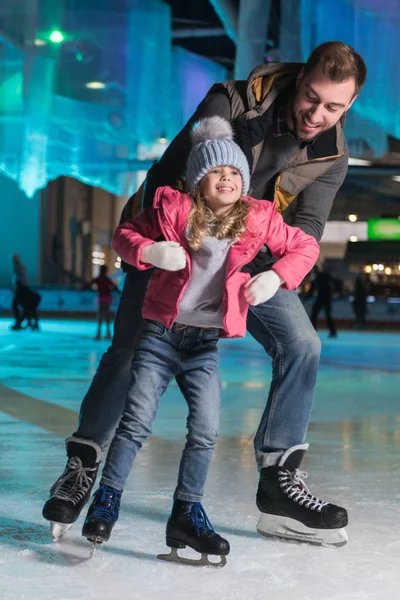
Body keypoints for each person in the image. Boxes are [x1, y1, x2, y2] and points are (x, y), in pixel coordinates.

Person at [42, 41, 367, 548]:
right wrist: (154, 250)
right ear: (300, 80)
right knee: (130, 348)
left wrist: (276, 275)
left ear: (349, 106)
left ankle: (279, 480)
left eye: (333, 107)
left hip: (248, 253)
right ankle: (83, 464)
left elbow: (307, 226)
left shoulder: (333, 154)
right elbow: (166, 176)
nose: (316, 114)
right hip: (174, 235)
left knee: (302, 343)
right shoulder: (232, 100)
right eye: (311, 97)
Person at [77, 118, 318, 565]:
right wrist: (148, 252)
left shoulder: (259, 219)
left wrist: (275, 276)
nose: (226, 178)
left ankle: (186, 512)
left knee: (206, 430)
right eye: (215, 172)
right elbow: (123, 236)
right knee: (136, 422)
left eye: (234, 173)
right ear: (196, 182)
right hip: (160, 335)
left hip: (203, 345)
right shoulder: (172, 211)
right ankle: (106, 498)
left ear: (243, 183)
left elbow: (305, 246)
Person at [81, 265, 121, 340]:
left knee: (100, 316)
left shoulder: (98, 279)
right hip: (107, 299)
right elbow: (115, 288)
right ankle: (108, 334)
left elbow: (88, 285)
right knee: (107, 316)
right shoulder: (106, 279)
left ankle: (98, 334)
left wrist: (81, 289)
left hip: (101, 298)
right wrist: (121, 293)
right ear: (105, 271)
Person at [10, 254, 41, 330]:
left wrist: (16, 286)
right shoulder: (18, 267)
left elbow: (21, 279)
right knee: (26, 308)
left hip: (23, 290)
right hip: (23, 290)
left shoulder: (19, 267)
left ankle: (22, 323)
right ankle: (27, 323)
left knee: (25, 308)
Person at [309, 265, 338, 338]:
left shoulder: (319, 277)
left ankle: (314, 332)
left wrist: (307, 296)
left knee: (314, 315)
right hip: (326, 298)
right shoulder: (323, 276)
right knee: (326, 315)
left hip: (322, 298)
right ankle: (332, 332)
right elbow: (336, 282)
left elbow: (311, 290)